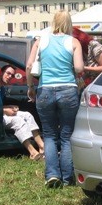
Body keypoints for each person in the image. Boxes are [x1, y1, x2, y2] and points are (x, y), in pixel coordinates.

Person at [26, 10, 84, 188]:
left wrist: (30, 87)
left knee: (50, 134)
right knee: (66, 136)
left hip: (45, 90)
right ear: (69, 24)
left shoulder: (40, 41)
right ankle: (67, 178)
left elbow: (29, 65)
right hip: (68, 90)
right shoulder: (74, 42)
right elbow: (79, 68)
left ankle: (52, 174)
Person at [0, 64, 45, 160]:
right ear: (1, 73)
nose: (10, 77)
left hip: (2, 112)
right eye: (8, 73)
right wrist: (5, 110)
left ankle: (42, 146)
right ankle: (32, 152)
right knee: (18, 121)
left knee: (27, 115)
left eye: (12, 75)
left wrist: (9, 107)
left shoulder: (1, 89)